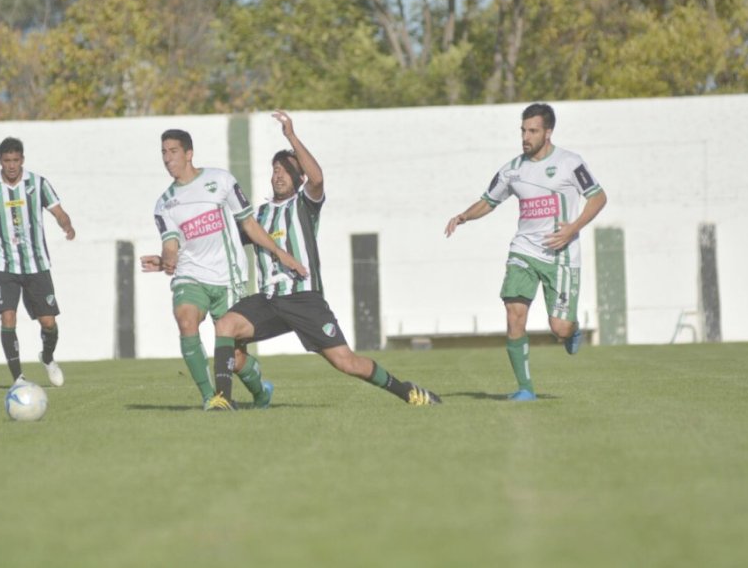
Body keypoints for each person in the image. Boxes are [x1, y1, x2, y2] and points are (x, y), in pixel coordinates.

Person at [208, 111, 442, 410]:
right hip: (269, 300)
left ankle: (408, 391)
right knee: (226, 326)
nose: (278, 174)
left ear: (298, 177)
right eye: (275, 169)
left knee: (347, 363)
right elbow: (224, 243)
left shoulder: (305, 204)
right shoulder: (260, 216)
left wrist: (291, 137)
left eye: (286, 169)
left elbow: (317, 178)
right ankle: (223, 400)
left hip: (304, 299)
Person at [444, 103, 608, 401]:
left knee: (558, 327)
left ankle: (571, 331)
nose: (525, 137)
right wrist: (464, 216)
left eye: (532, 131)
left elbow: (598, 198)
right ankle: (525, 388)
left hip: (561, 255)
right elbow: (488, 201)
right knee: (514, 312)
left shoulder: (570, 162)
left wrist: (573, 228)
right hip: (523, 251)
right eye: (523, 130)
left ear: (548, 132)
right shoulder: (512, 170)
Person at [140, 128, 308, 409]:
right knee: (185, 320)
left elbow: (249, 224)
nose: (168, 159)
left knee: (236, 358)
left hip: (228, 279)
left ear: (189, 153)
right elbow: (171, 243)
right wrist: (166, 258)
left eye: (173, 152)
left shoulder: (220, 180)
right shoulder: (164, 203)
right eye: (163, 153)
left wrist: (280, 253)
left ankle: (259, 390)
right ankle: (211, 397)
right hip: (191, 275)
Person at [0, 137, 75, 386]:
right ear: (0, 161)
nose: (12, 166)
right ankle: (18, 378)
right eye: (7, 161)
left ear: (22, 160)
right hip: (4, 266)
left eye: (16, 160)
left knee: (48, 323)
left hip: (37, 265)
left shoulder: (37, 184)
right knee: (7, 318)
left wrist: (66, 225)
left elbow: (58, 211)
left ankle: (47, 358)